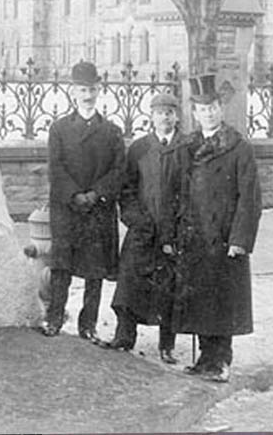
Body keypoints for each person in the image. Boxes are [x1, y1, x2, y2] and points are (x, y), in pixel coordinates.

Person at [161, 73, 261, 383]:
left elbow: (250, 198)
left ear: (222, 108)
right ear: (194, 112)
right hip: (194, 236)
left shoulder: (237, 147)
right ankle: (205, 358)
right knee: (200, 299)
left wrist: (239, 239)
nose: (209, 113)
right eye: (203, 109)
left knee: (222, 300)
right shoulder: (187, 147)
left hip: (223, 237)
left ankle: (221, 360)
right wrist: (171, 233)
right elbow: (172, 192)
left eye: (214, 107)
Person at [41, 60, 125, 342]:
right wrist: (75, 195)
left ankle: (87, 325)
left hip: (98, 209)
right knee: (61, 268)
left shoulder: (111, 131)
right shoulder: (60, 129)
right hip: (67, 208)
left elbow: (118, 170)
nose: (87, 95)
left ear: (99, 90)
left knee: (94, 272)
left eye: (91, 89)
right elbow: (56, 167)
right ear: (72, 92)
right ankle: (54, 318)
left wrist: (96, 193)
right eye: (81, 90)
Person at [105, 90, 183, 362]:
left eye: (170, 112)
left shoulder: (185, 148)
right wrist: (136, 220)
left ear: (177, 116)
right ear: (151, 116)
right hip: (142, 230)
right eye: (160, 112)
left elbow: (190, 193)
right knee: (129, 283)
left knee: (168, 288)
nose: (165, 117)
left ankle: (167, 345)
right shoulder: (139, 148)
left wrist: (177, 229)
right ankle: (125, 335)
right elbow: (126, 190)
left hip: (171, 233)